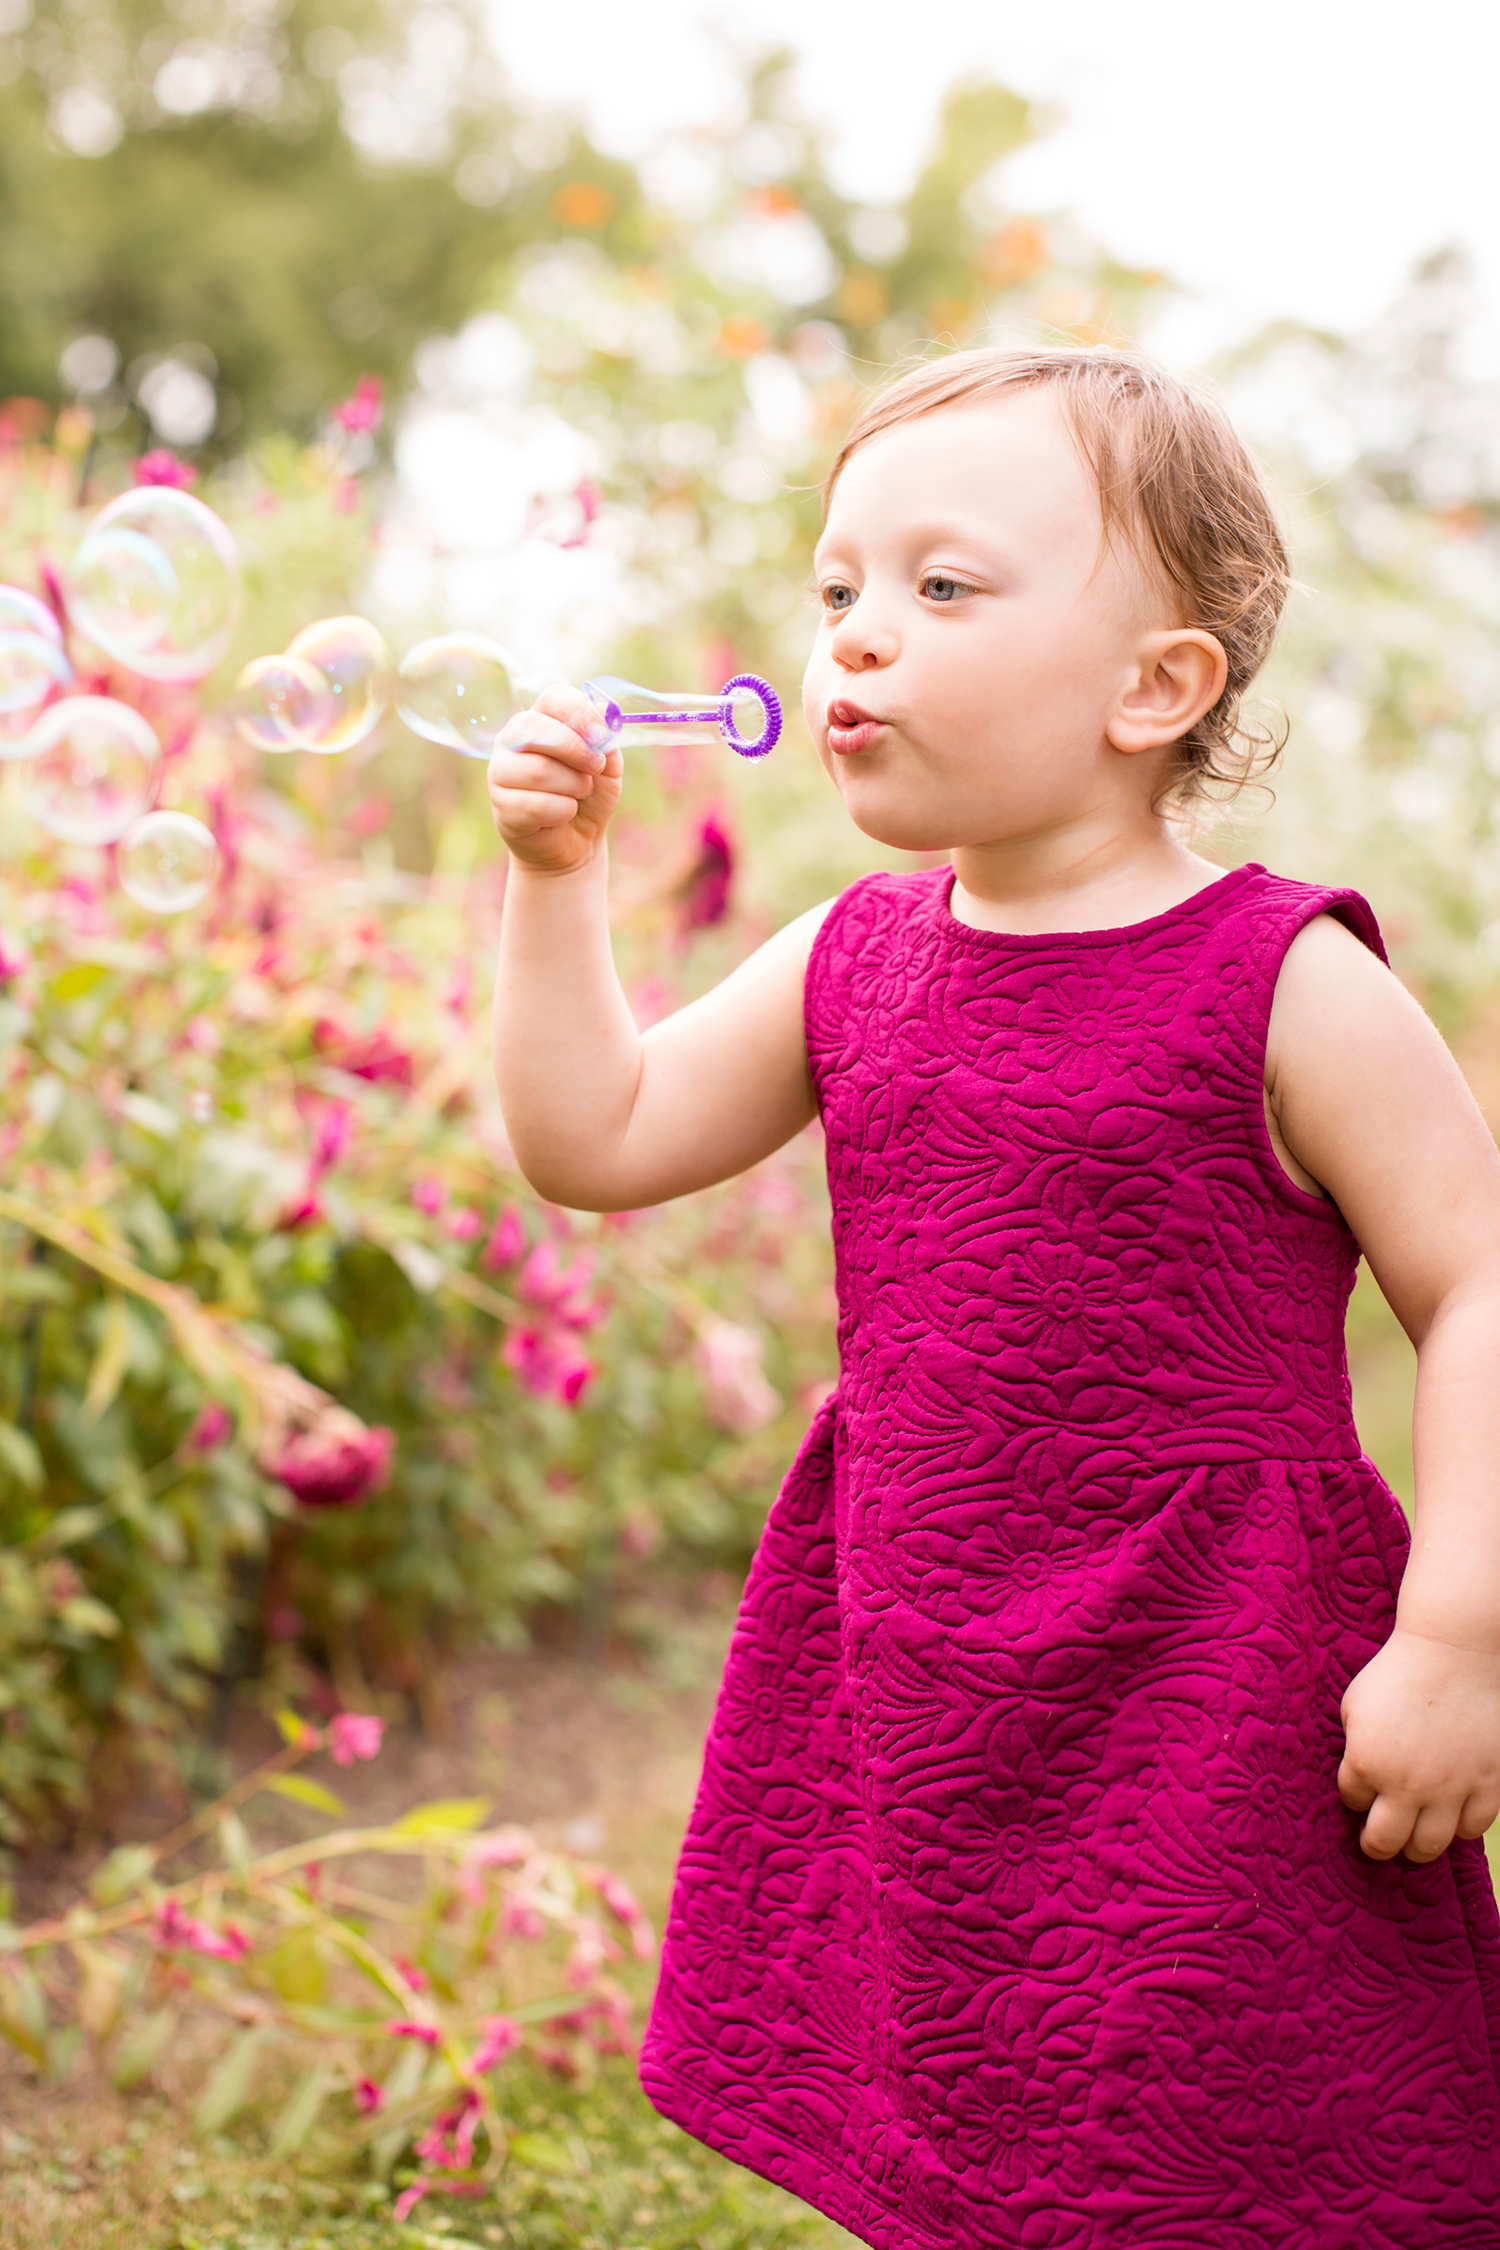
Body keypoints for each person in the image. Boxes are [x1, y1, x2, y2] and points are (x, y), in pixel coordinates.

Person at [486, 346, 1500, 2247]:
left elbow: (1476, 1287)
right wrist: (557, 881)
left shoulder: (1285, 979)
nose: (857, 635)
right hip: (933, 1634)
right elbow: (597, 1133)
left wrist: (1456, 1637)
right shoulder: (849, 957)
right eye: (840, 586)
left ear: (1154, 686)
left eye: (942, 586)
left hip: (1216, 1659)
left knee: (1219, 2077)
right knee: (972, 2059)